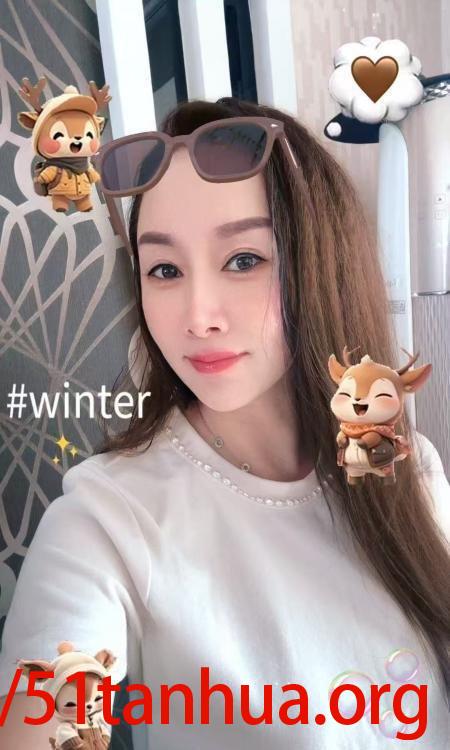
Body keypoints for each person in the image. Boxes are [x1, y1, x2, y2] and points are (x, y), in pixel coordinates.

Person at [1, 97, 449, 750]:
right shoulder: (109, 519)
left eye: (243, 260)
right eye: (164, 269)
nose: (198, 315)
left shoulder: (408, 468)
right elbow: (47, 713)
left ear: (320, 265)